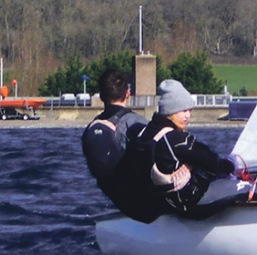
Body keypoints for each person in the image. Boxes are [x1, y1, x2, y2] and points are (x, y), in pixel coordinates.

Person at [127, 79, 237, 215]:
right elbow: (213, 162)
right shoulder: (177, 139)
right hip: (184, 203)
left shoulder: (144, 133)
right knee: (242, 187)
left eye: (189, 110)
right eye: (183, 111)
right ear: (170, 111)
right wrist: (232, 165)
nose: (188, 116)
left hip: (155, 202)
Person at [82, 69, 158, 222]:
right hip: (145, 201)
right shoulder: (135, 123)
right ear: (127, 94)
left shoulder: (91, 128)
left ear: (101, 97)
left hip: (117, 197)